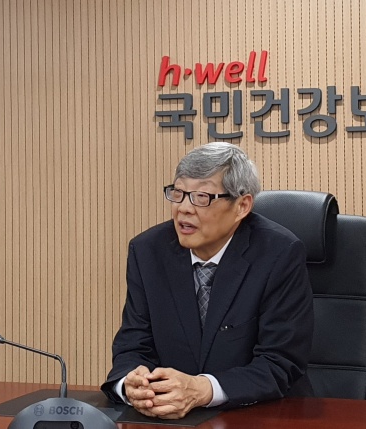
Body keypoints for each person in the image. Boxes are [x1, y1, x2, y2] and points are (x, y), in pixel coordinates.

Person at [101, 142, 314, 419]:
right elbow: (132, 344)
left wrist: (203, 389)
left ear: (242, 206)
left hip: (261, 416)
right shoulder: (148, 251)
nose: (183, 209)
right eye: (178, 194)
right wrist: (131, 384)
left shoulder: (278, 254)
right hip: (171, 418)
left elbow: (280, 362)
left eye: (201, 197)